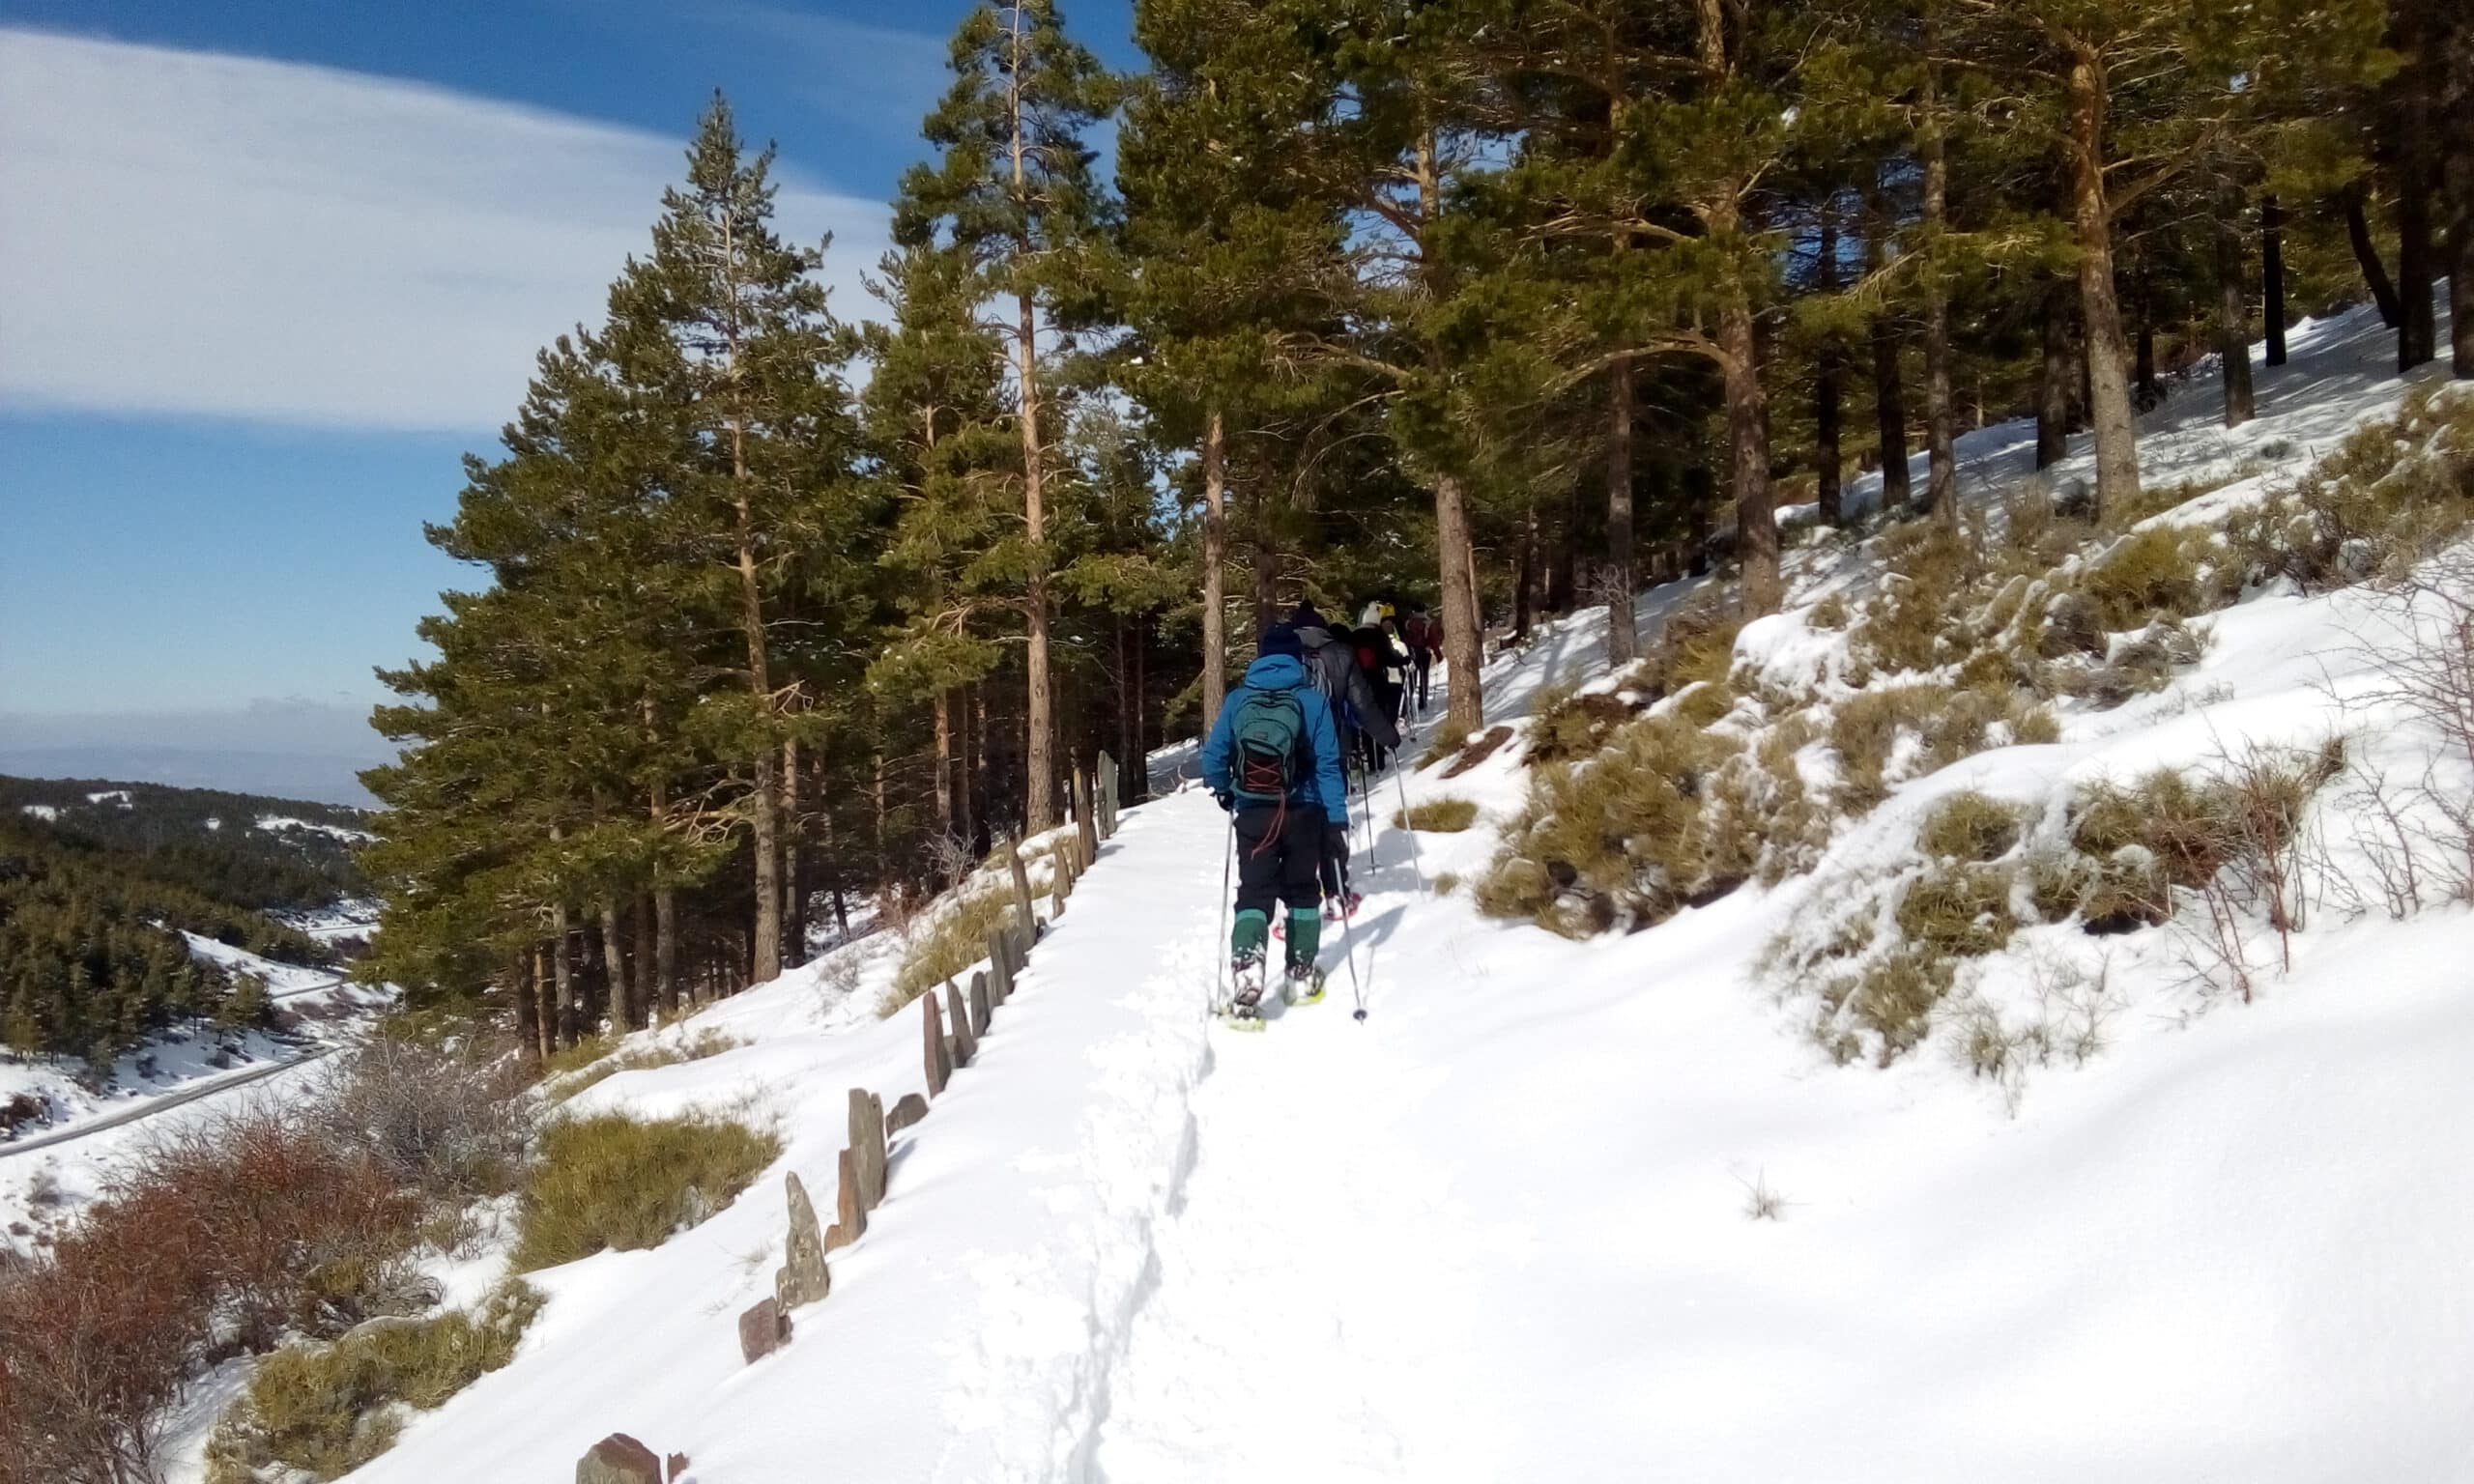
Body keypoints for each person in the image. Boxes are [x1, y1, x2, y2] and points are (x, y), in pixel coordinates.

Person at [1200, 624, 1350, 1013]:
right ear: (1296, 658)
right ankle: (1300, 975)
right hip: (1305, 812)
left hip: (1253, 811)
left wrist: (1225, 790)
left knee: (1254, 891)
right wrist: (1336, 821)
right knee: (1302, 889)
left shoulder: (1238, 700)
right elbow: (1329, 766)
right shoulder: (1312, 701)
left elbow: (1214, 758)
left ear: (1261, 657)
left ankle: (1248, 972)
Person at [1290, 604, 1395, 918]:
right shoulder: (1341, 653)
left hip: (1292, 750)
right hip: (1333, 746)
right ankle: (1336, 889)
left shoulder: (1285, 653)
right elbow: (1362, 704)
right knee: (1332, 816)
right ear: (1322, 627)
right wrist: (1387, 735)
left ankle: (1300, 895)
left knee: (1296, 818)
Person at [1399, 605, 1436, 718]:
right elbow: (1433, 637)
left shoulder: (1409, 622)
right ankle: (1422, 702)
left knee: (1412, 679)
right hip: (1425, 651)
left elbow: (1406, 639)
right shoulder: (1428, 622)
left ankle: (1408, 705)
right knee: (1424, 676)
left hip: (1413, 652)